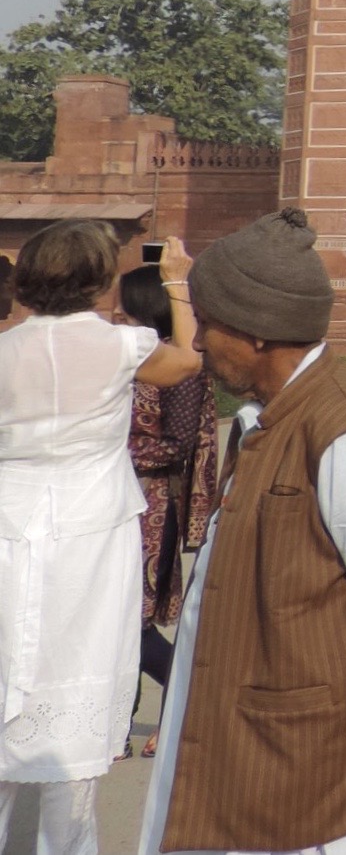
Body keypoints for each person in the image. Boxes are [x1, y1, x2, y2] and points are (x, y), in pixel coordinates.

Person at [138, 207, 346, 855]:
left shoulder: (342, 428)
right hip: (248, 732)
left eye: (211, 324)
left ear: (257, 333)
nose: (196, 343)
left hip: (303, 754)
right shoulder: (269, 416)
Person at [0, 221, 202, 855]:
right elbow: (189, 359)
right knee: (78, 683)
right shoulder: (123, 346)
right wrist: (177, 282)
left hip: (10, 521)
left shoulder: (4, 348)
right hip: (90, 531)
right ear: (98, 281)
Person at [115, 263, 219, 762]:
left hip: (149, 502)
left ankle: (190, 701)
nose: (119, 313)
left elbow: (176, 444)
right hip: (124, 497)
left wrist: (104, 451)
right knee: (117, 620)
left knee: (130, 621)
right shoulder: (141, 356)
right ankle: (118, 725)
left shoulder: (178, 368)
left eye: (127, 304)